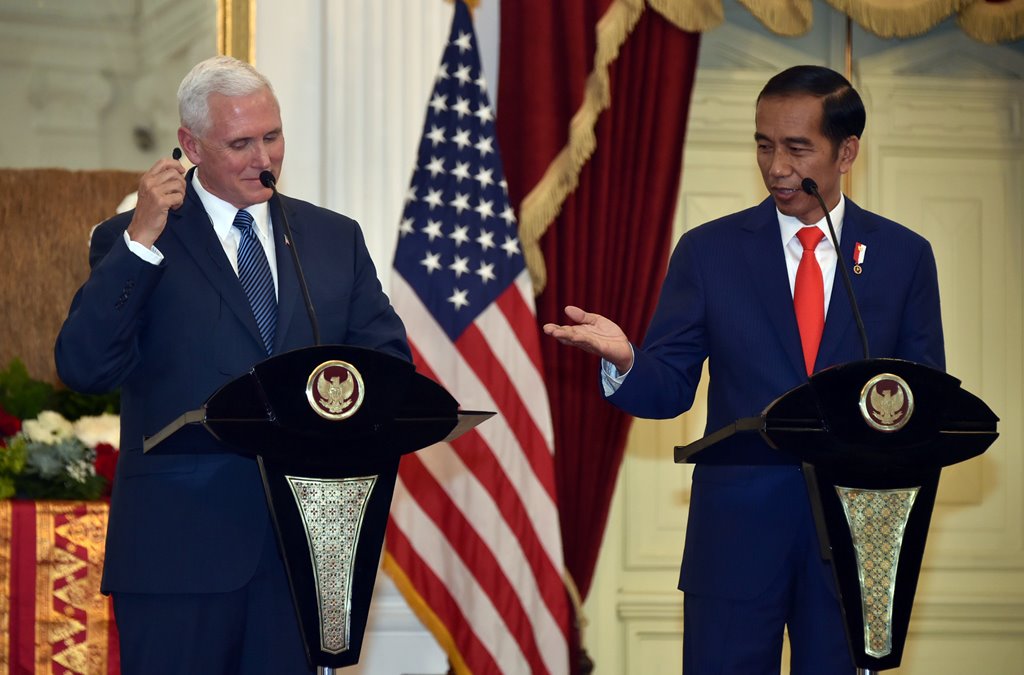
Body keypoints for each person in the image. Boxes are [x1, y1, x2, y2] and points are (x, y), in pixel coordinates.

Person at [544, 65, 943, 673]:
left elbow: (923, 401)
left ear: (846, 152)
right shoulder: (710, 252)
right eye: (763, 145)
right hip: (734, 540)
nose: (776, 166)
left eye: (797, 148)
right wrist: (627, 361)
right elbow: (669, 388)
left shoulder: (902, 256)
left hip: (855, 541)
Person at [55, 56, 410, 673]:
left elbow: (388, 368)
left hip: (301, 557)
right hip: (177, 560)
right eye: (240, 143)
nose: (263, 158)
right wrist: (140, 242)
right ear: (190, 145)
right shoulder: (134, 238)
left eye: (272, 136)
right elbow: (85, 368)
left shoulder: (333, 239)